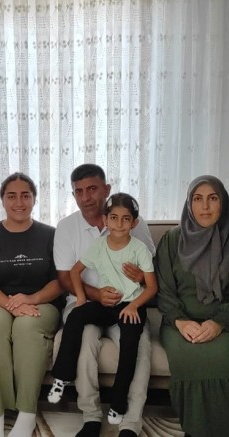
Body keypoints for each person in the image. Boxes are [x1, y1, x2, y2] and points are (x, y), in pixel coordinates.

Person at [155, 175, 229, 437]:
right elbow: (164, 288)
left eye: (213, 198)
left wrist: (219, 322)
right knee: (187, 356)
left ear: (224, 202)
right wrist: (180, 321)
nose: (205, 206)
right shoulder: (172, 240)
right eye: (198, 199)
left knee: (226, 358)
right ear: (189, 204)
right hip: (179, 323)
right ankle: (197, 430)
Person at [53, 164, 156, 437]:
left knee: (139, 345)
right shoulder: (66, 227)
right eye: (78, 191)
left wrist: (140, 279)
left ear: (106, 189)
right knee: (84, 339)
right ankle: (91, 418)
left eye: (92, 189)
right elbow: (65, 277)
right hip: (87, 303)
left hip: (128, 303)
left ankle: (130, 423)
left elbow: (150, 273)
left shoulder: (136, 224)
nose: (85, 197)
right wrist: (96, 295)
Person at [0, 172, 62, 437]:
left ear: (34, 199)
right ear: (2, 200)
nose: (19, 202)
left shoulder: (50, 235)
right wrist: (12, 305)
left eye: (25, 195)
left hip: (40, 302)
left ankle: (26, 414)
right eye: (11, 196)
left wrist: (30, 300)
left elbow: (60, 281)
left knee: (26, 327)